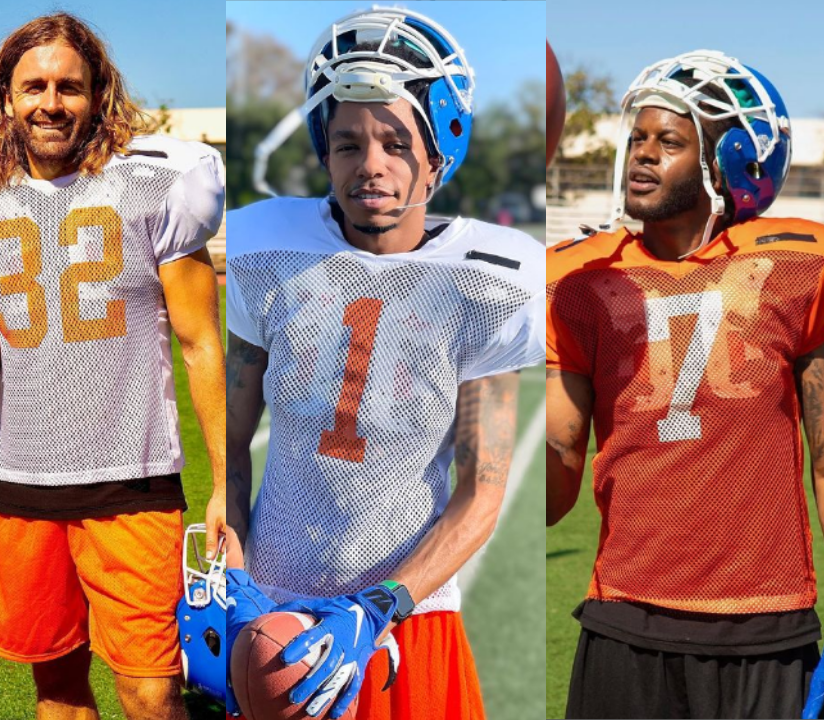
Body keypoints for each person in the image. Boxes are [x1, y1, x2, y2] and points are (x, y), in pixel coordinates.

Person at [223, 7, 544, 719]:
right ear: (323, 151)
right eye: (348, 143)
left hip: (406, 619)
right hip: (271, 611)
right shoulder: (265, 249)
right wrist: (233, 572)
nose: (371, 165)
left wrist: (378, 609)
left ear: (437, 152)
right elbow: (229, 447)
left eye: (396, 143)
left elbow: (481, 492)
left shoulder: (487, 279)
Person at [0, 12, 226, 720]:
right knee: (56, 691)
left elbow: (202, 341)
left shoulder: (155, 186)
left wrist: (226, 483)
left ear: (97, 94)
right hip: (21, 479)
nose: (51, 103)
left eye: (69, 87)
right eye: (35, 87)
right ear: (5, 97)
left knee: (150, 692)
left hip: (132, 478)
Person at [546, 50, 824, 720]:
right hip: (626, 614)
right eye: (638, 138)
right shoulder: (583, 283)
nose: (641, 155)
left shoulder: (789, 269)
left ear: (730, 162)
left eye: (669, 141)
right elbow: (554, 490)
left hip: (766, 623)